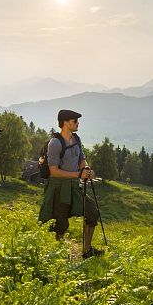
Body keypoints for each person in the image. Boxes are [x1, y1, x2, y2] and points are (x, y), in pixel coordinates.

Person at [39, 110, 104, 259]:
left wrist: (86, 169)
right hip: (59, 188)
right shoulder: (55, 143)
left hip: (74, 186)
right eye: (75, 121)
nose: (77, 123)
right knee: (61, 224)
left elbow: (81, 158)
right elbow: (53, 171)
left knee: (92, 212)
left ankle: (87, 251)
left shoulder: (76, 139)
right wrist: (78, 174)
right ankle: (60, 256)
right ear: (66, 123)